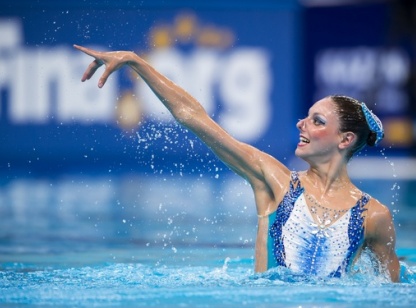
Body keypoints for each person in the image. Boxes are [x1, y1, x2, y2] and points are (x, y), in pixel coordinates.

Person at [73, 44, 400, 282]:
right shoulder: (276, 181)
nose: (302, 124)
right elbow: (194, 118)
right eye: (305, 117)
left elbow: (390, 295)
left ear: (345, 140)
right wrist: (136, 62)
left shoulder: (374, 216)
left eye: (316, 121)